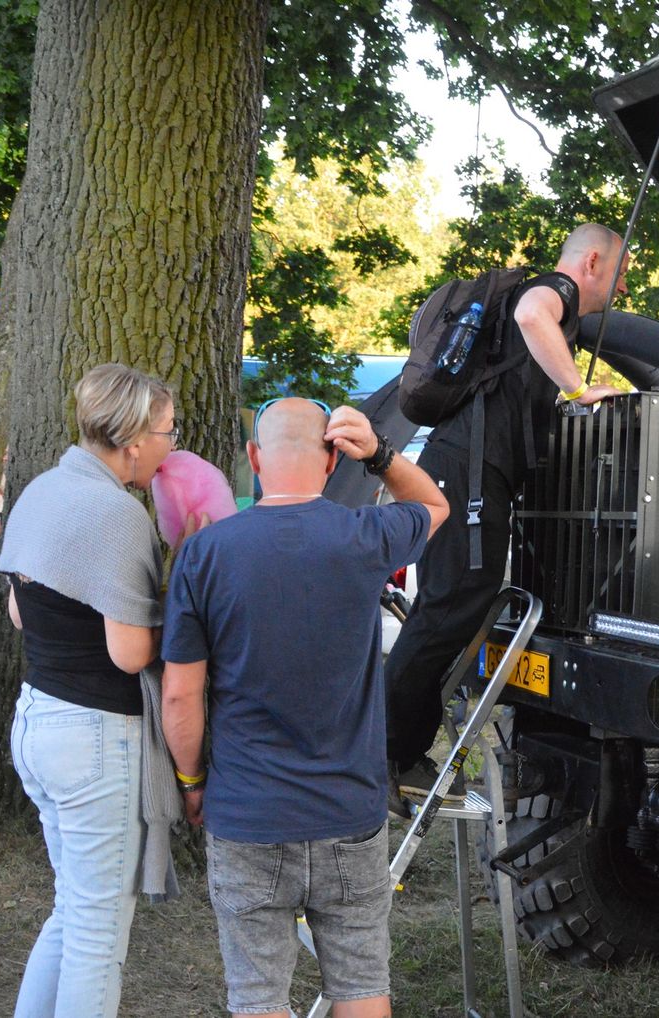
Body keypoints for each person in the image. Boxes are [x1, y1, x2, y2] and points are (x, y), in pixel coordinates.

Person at [161, 398, 448, 1018]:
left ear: (254, 458)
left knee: (258, 997)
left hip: (248, 813)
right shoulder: (365, 535)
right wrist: (381, 455)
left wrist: (190, 782)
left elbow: (180, 693)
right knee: (362, 987)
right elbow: (434, 505)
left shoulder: (204, 553)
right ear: (331, 460)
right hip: (349, 811)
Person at [383, 223, 631, 798]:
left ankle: (394, 751)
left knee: (453, 604)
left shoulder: (555, 308)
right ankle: (387, 756)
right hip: (469, 470)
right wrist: (578, 389)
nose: (621, 289)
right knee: (451, 603)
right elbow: (530, 314)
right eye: (620, 274)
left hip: (464, 468)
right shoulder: (556, 291)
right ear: (592, 262)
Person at [0, 364, 183, 1017]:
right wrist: (182, 607)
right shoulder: (117, 513)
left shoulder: (43, 488)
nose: (172, 445)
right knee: (99, 937)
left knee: (74, 913)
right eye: (167, 431)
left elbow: (19, 613)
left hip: (37, 719)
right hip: (96, 737)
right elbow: (130, 654)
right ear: (132, 440)